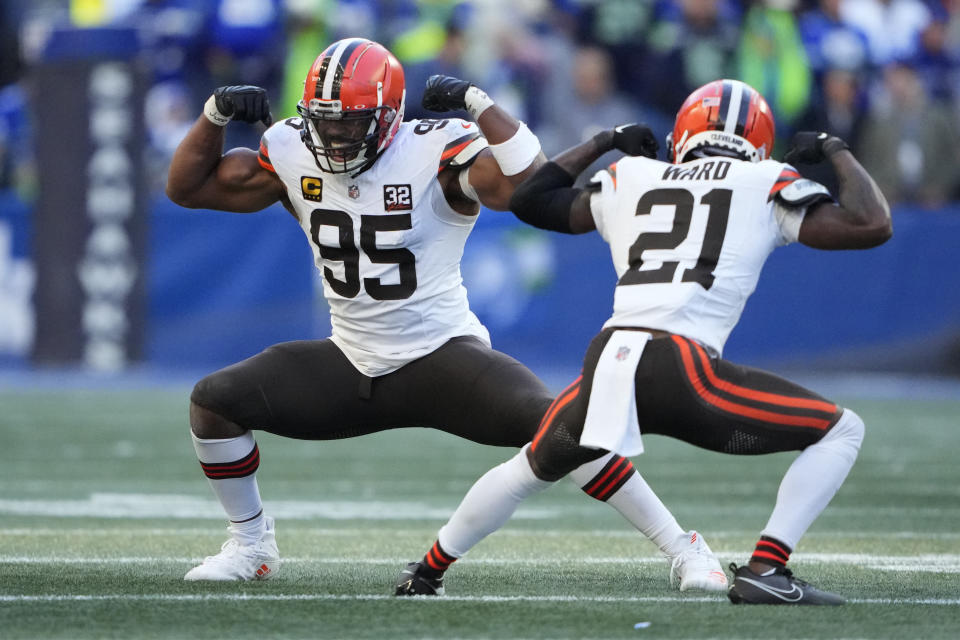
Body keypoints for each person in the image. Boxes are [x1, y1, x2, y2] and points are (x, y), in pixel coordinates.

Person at [165, 37, 727, 589]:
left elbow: (528, 189)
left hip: (441, 357)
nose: (334, 136)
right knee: (215, 403)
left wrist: (479, 104)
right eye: (325, 121)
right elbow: (186, 188)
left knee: (564, 426)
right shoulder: (290, 148)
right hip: (350, 359)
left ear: (389, 118)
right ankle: (252, 545)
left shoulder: (433, 149)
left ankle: (685, 548)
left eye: (350, 122)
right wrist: (213, 116)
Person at [396, 79, 892, 605]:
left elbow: (532, 201)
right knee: (841, 431)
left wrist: (604, 140)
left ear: (681, 134)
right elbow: (871, 222)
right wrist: (836, 150)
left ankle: (426, 572)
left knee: (530, 468)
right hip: (684, 367)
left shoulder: (632, 174)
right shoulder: (766, 179)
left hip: (608, 360)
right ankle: (768, 568)